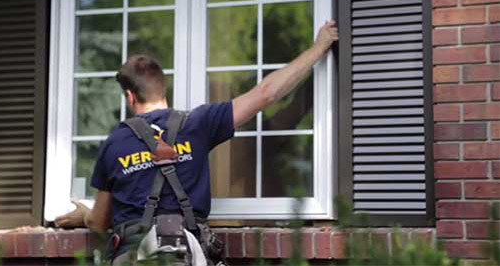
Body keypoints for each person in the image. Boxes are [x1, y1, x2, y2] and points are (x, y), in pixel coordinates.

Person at [55, 21, 338, 265]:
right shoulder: (198, 123)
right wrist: (318, 48)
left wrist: (85, 215)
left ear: (130, 96)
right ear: (163, 87)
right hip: (189, 253)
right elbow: (266, 94)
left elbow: (100, 221)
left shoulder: (114, 143)